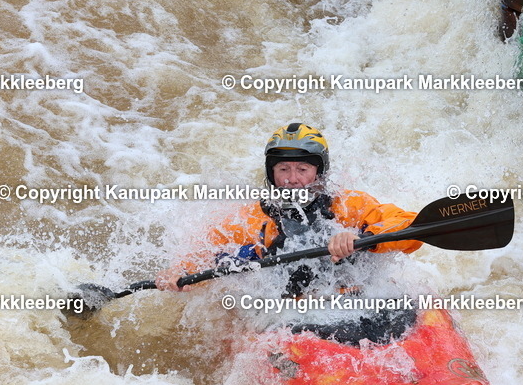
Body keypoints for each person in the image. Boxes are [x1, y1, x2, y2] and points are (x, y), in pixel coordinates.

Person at [155, 123, 423, 296]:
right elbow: (206, 253)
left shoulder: (350, 205)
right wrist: (179, 274)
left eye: (302, 169)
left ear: (319, 173)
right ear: (272, 174)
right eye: (283, 169)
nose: (292, 179)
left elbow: (409, 225)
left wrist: (364, 238)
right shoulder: (251, 219)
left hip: (357, 297)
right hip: (294, 317)